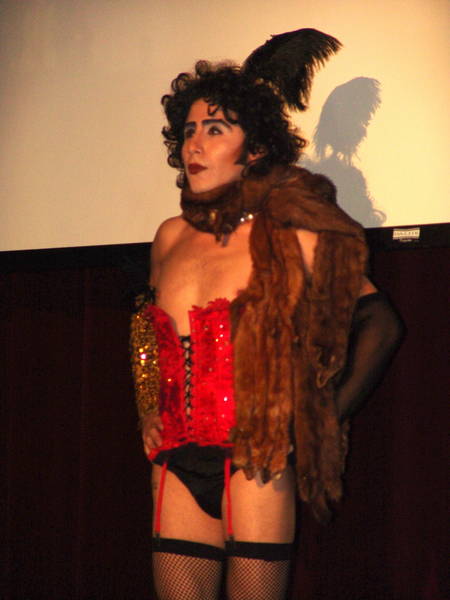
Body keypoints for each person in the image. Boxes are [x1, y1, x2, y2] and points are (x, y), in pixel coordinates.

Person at [131, 31, 403, 600]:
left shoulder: (291, 232)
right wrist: (147, 406)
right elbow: (146, 331)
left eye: (215, 129)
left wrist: (317, 419)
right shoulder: (169, 236)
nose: (195, 144)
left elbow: (381, 325)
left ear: (253, 149)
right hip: (176, 459)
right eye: (189, 130)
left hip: (254, 460)